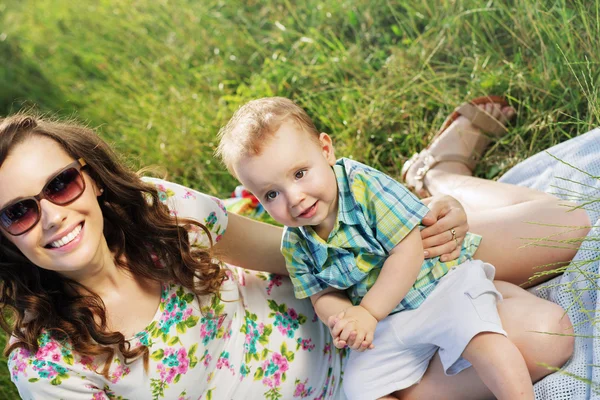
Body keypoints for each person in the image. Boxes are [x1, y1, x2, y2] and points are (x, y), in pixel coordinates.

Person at [0, 110, 582, 400]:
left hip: (366, 295)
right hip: (370, 383)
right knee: (545, 338)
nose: (52, 215)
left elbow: (287, 251)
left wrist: (412, 222)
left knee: (566, 225)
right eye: (18, 212)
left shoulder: (158, 214)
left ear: (90, 179)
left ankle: (439, 177)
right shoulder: (47, 363)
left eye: (59, 186)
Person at [215, 97, 582, 399]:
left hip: (438, 287)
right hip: (392, 325)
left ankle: (435, 175)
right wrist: (341, 317)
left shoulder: (360, 186)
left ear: (325, 150)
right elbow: (322, 293)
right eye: (272, 194)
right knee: (360, 388)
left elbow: (409, 251)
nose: (294, 198)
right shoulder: (295, 242)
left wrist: (369, 312)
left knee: (480, 337)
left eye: (299, 173)